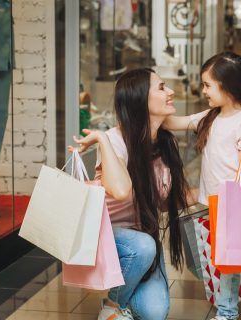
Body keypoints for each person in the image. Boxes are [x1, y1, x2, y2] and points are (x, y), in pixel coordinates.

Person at [70, 68, 192, 320]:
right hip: (106, 237)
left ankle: (123, 292)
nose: (170, 92)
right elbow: (121, 190)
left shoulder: (166, 143)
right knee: (144, 246)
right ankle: (113, 306)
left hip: (139, 240)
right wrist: (102, 140)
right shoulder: (116, 140)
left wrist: (214, 193)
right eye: (161, 87)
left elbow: (163, 203)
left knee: (155, 312)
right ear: (140, 99)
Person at [163, 51, 241, 320]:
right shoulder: (211, 116)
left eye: (208, 84)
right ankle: (226, 312)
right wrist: (153, 109)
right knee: (223, 263)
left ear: (227, 85)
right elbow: (178, 123)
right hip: (214, 206)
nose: (204, 90)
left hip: (238, 208)